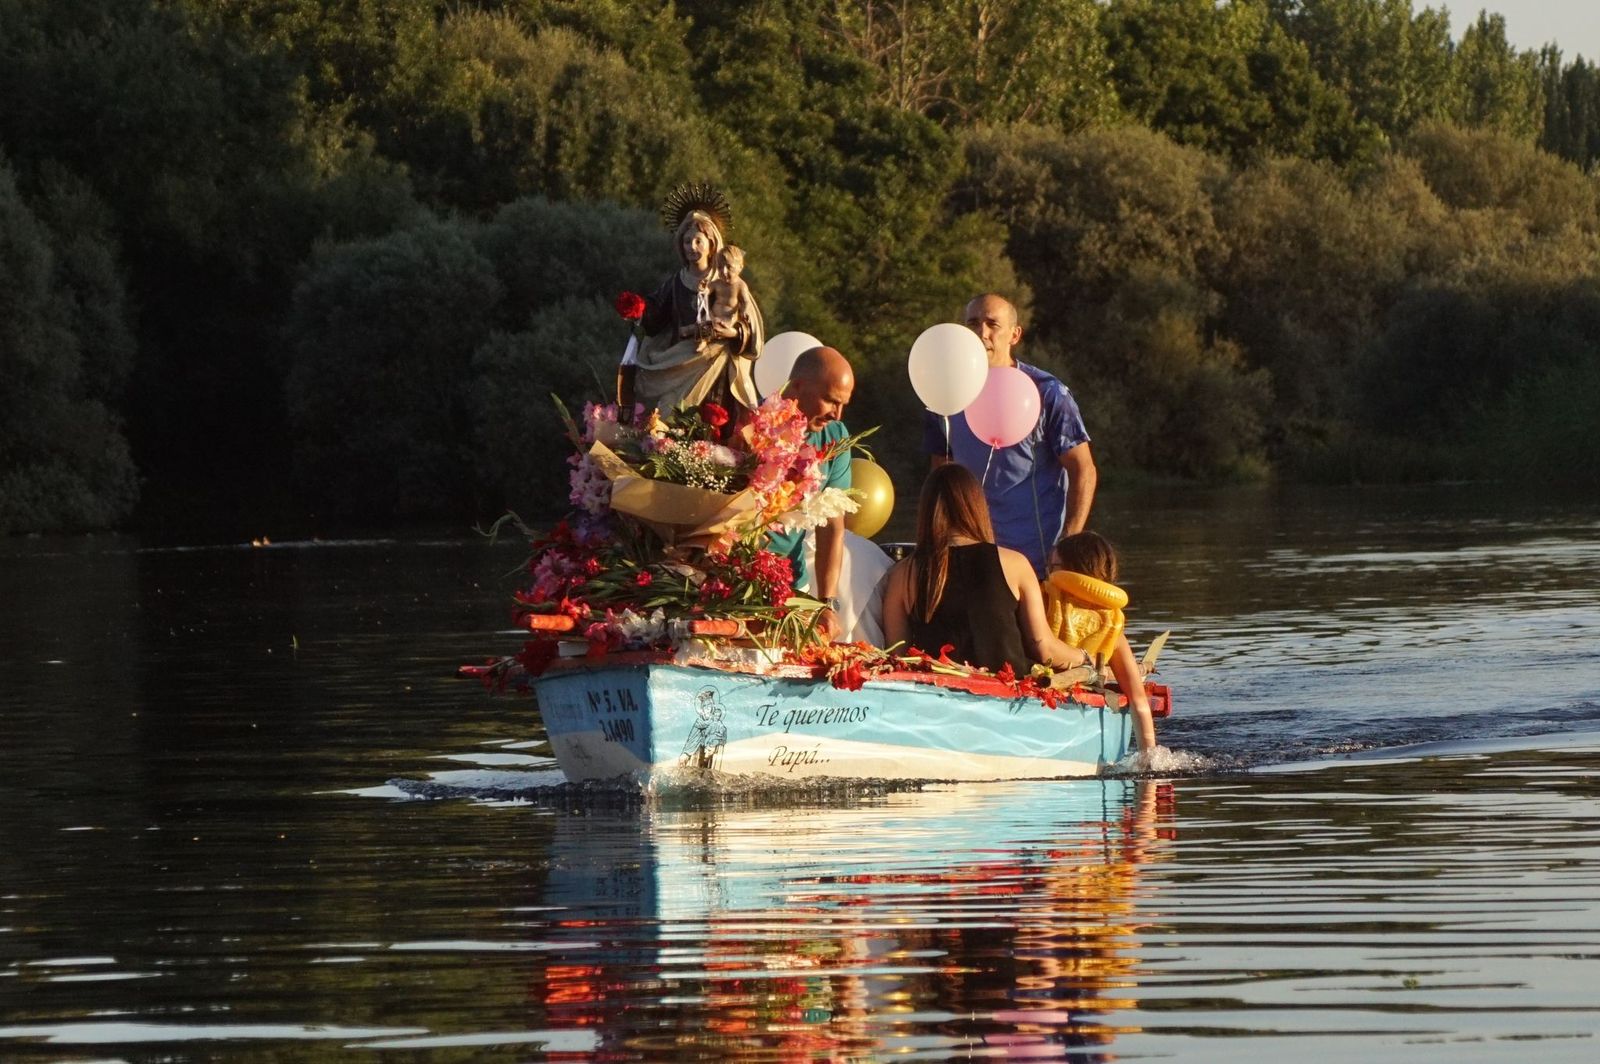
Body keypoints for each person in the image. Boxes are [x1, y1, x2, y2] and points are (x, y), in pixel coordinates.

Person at [925, 293, 1096, 577]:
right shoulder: (944, 396)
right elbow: (940, 475)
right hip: (973, 559)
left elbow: (1084, 469)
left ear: (1015, 335)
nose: (982, 332)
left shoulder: (1048, 393)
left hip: (1038, 563)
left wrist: (1068, 543)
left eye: (993, 324)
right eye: (973, 323)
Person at [881, 464, 1091, 675]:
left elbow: (898, 656)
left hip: (938, 695)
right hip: (1008, 696)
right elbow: (1042, 646)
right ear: (977, 506)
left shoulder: (902, 574)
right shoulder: (1016, 564)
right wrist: (1086, 658)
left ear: (925, 511)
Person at [634, 185, 763, 415]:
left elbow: (751, 326)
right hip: (681, 361)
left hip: (720, 366)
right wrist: (637, 310)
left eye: (698, 241)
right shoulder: (676, 283)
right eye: (686, 242)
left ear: (712, 244)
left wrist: (731, 333)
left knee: (716, 420)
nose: (692, 248)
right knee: (671, 417)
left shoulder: (729, 281)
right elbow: (654, 320)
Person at [767, 346, 856, 640]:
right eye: (830, 401)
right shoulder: (755, 425)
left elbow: (833, 524)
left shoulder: (836, 436)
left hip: (793, 585)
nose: (837, 413)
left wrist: (825, 603)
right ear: (797, 387)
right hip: (739, 581)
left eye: (843, 404)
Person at [1049, 531, 1158, 756]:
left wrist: (1150, 760)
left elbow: (1138, 699)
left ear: (1075, 570)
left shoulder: (1111, 628)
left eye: (1054, 566)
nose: (1047, 573)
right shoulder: (1044, 608)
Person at [705, 245, 752, 352]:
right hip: (713, 316)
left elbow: (745, 301)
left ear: (740, 267)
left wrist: (744, 312)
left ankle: (692, 332)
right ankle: (702, 341)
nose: (724, 271)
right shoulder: (717, 283)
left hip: (728, 319)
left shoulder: (740, 286)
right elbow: (706, 290)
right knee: (705, 325)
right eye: (720, 267)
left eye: (729, 267)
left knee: (719, 329)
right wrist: (704, 289)